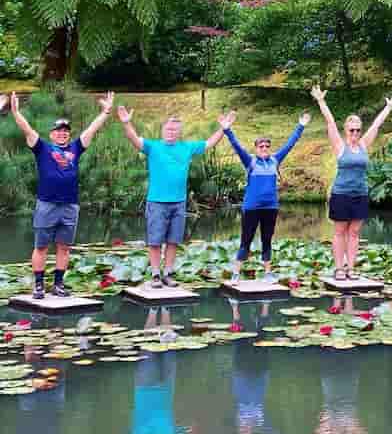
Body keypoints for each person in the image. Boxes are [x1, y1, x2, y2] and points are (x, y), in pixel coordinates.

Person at [2, 92, 113, 299]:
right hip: (47, 204)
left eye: (65, 131)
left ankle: (59, 284)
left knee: (64, 247)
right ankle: (38, 285)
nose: (62, 134)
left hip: (70, 206)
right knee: (41, 246)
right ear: (51, 134)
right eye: (58, 131)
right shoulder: (42, 148)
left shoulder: (76, 148)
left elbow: (91, 130)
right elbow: (27, 129)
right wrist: (16, 112)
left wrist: (106, 112)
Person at [117, 106, 225, 288]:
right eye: (168, 129)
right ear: (162, 131)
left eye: (174, 130)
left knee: (173, 240)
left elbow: (209, 143)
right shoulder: (153, 147)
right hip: (157, 201)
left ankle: (168, 273)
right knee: (155, 241)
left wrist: (224, 129)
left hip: (179, 202)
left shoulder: (187, 147)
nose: (171, 132)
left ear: (179, 133)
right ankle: (155, 275)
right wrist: (127, 123)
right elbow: (133, 139)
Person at [310, 86, 392, 280]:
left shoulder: (364, 145)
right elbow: (330, 122)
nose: (355, 132)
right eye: (352, 129)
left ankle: (351, 267)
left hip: (360, 194)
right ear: (346, 130)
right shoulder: (340, 146)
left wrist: (388, 108)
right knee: (340, 231)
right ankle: (339, 268)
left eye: (358, 129)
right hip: (341, 194)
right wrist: (321, 101)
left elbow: (376, 126)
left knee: (355, 232)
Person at [220, 109, 310, 282]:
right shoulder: (250, 161)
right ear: (256, 148)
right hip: (252, 208)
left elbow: (290, 144)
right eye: (261, 146)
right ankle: (236, 273)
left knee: (267, 240)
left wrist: (301, 126)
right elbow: (237, 147)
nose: (264, 149)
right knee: (246, 240)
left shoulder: (275, 160)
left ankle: (268, 273)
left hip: (270, 208)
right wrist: (227, 130)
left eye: (267, 146)